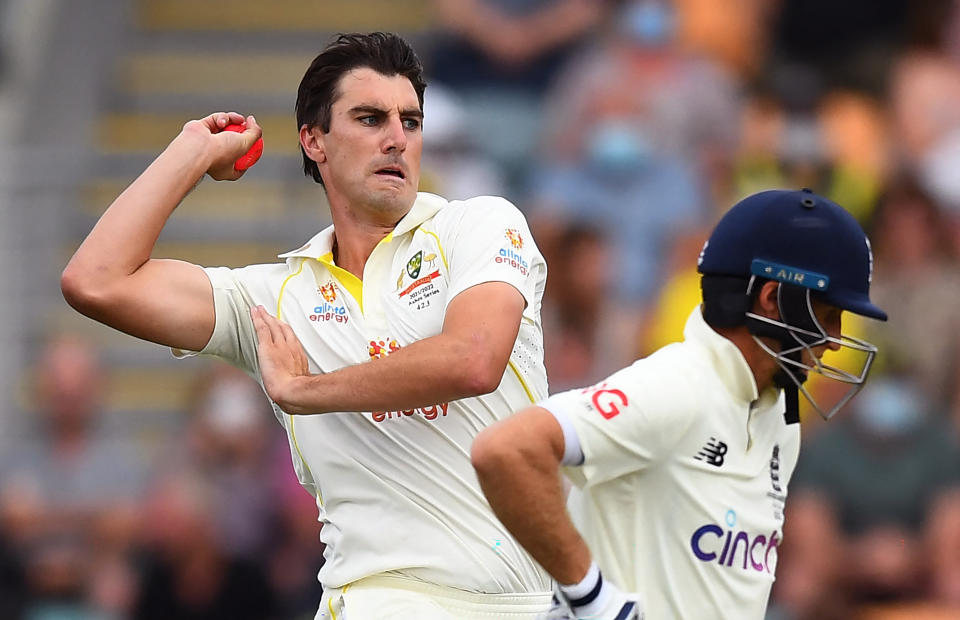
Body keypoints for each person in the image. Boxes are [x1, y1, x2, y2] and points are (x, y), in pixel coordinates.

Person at [60, 32, 552, 620]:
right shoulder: (277, 298)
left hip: (519, 602)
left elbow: (474, 359)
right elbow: (96, 281)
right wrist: (191, 151)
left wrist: (304, 391)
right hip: (371, 600)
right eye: (370, 118)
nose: (397, 138)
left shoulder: (481, 225)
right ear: (314, 141)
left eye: (411, 122)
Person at [472, 189, 888, 619]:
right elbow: (506, 450)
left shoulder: (780, 420)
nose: (836, 340)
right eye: (827, 314)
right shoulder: (677, 386)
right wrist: (592, 595)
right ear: (771, 300)